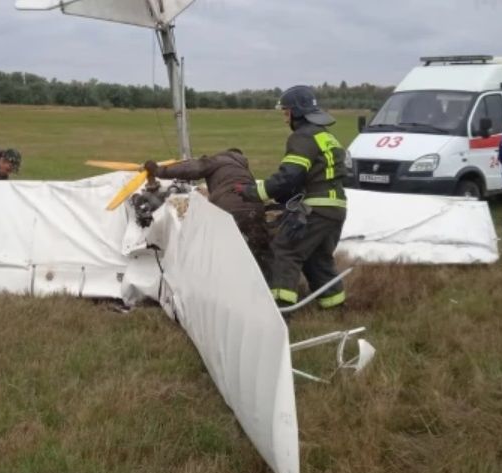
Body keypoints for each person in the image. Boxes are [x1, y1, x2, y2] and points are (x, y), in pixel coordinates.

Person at [235, 85, 350, 310]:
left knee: (285, 252)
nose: (285, 119)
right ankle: (336, 309)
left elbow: (289, 176)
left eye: (286, 113)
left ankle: (280, 311)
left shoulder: (303, 137)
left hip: (316, 208)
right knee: (318, 260)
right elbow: (307, 177)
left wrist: (253, 192)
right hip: (336, 208)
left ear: (297, 112)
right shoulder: (327, 136)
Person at [143, 149, 271, 280]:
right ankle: (267, 288)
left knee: (224, 251)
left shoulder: (219, 160)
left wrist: (158, 171)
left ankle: (229, 285)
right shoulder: (242, 169)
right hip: (255, 207)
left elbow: (191, 169)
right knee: (259, 249)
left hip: (228, 208)